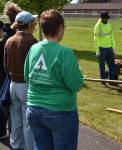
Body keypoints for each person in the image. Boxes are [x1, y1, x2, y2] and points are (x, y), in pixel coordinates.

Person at [24, 9, 83, 150]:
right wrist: (79, 74)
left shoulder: (34, 48)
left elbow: (27, 77)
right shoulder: (65, 53)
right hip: (60, 112)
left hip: (34, 110)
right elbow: (75, 85)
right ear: (60, 28)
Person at [4, 11, 37, 150]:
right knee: (28, 122)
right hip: (26, 85)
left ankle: (16, 146)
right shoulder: (31, 41)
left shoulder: (9, 40)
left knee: (16, 119)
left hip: (13, 84)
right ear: (29, 24)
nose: (35, 25)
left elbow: (5, 65)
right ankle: (29, 147)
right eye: (33, 22)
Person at [0, 2, 21, 140]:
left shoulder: (7, 33)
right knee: (10, 106)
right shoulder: (16, 34)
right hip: (11, 75)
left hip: (4, 72)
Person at [94, 12, 116, 85]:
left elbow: (111, 36)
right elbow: (95, 39)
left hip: (109, 48)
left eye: (107, 18)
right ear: (102, 18)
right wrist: (97, 50)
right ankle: (103, 80)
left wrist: (113, 46)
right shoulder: (98, 26)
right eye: (105, 18)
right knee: (102, 65)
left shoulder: (109, 24)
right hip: (102, 49)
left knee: (112, 65)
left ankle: (111, 81)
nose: (107, 20)